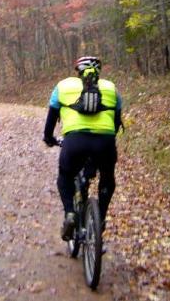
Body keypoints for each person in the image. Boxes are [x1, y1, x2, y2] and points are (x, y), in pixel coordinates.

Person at [43, 56, 122, 241]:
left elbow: (51, 118)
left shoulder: (62, 87)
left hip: (75, 142)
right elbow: (116, 122)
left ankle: (70, 213)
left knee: (65, 176)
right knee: (107, 179)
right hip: (105, 142)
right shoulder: (111, 88)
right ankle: (100, 218)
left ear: (77, 71)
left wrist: (49, 138)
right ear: (99, 72)